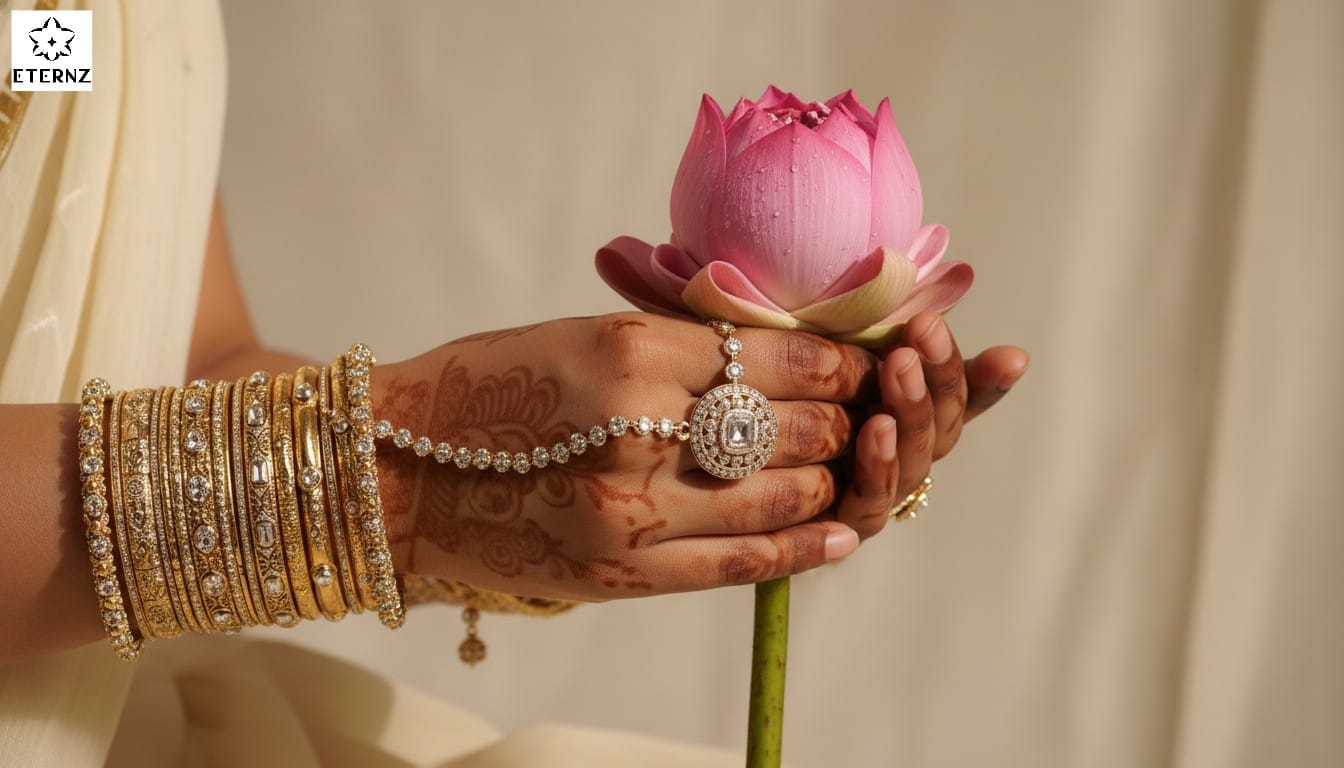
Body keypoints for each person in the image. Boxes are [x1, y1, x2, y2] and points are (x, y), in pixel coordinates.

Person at [0, 2, 1027, 765]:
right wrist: (394, 488)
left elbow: (202, 365)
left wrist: (567, 487)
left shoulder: (61, 30)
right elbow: (330, 461)